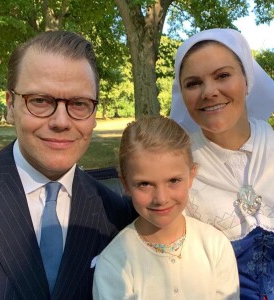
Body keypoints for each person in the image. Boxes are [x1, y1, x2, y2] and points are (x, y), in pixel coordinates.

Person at [0, 31, 135, 299]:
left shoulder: (116, 213)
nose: (61, 121)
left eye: (79, 103)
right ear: (10, 105)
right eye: (40, 101)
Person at [170, 28, 274, 300]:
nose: (209, 92)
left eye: (223, 75)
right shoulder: (175, 169)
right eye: (193, 83)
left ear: (247, 79)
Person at [93, 116, 239, 299]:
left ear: (191, 176)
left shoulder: (215, 246)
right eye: (145, 184)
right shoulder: (116, 261)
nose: (161, 199)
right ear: (125, 184)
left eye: (173, 181)